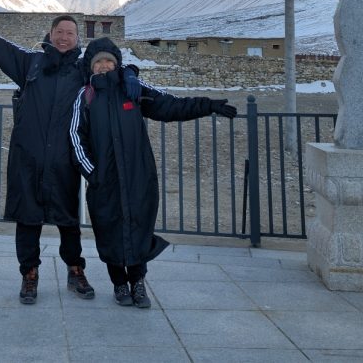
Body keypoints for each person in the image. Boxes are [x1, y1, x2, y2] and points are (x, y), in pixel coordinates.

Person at [0, 6, 95, 304]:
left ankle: (76, 271)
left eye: (70, 33)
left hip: (64, 160)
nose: (64, 38)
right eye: (59, 32)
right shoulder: (31, 64)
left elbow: (111, 70)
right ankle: (29, 275)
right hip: (28, 158)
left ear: (78, 39)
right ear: (50, 35)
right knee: (28, 218)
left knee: (68, 220)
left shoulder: (84, 71)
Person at [69, 37, 237, 308]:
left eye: (108, 61)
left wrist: (208, 105)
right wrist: (93, 173)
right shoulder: (85, 96)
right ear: (90, 65)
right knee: (109, 230)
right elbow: (76, 138)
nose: (103, 66)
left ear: (117, 63)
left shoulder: (132, 89)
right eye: (98, 61)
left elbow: (170, 106)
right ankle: (119, 284)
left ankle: (137, 283)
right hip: (104, 182)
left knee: (139, 228)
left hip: (138, 177)